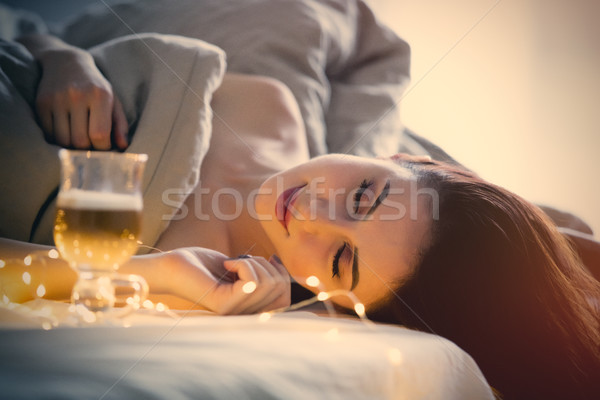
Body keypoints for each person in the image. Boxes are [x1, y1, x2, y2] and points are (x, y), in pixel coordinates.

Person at [2, 34, 599, 399]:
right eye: (364, 194)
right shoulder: (270, 104)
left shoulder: (207, 293)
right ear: (399, 156)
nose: (311, 215)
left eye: (341, 259)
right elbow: (46, 38)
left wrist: (153, 272)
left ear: (339, 302)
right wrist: (68, 61)